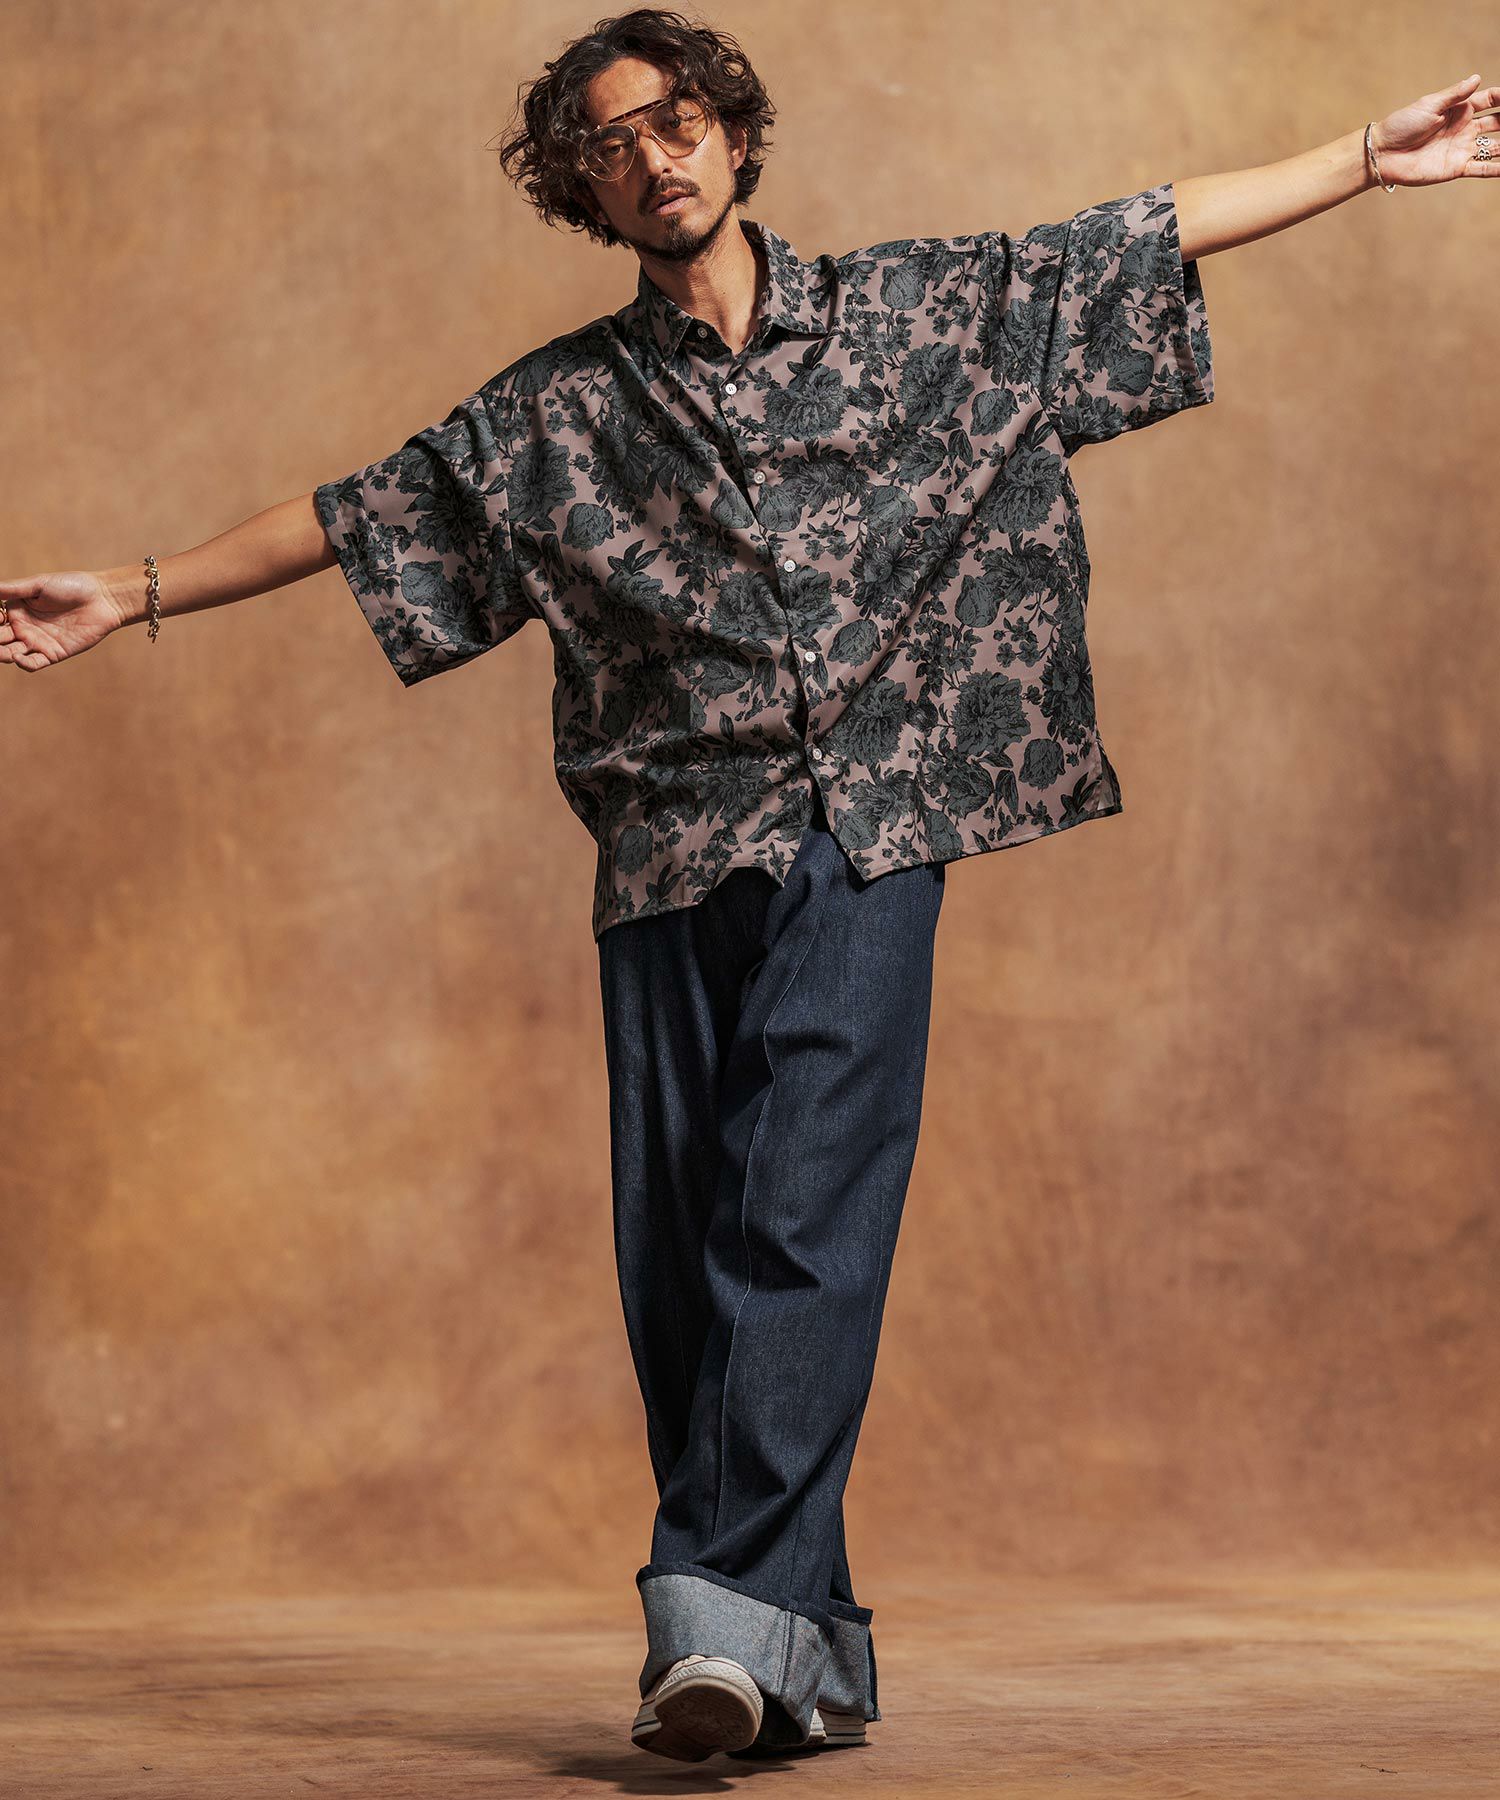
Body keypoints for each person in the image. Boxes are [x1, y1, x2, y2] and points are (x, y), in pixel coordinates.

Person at [3, 5, 1493, 1765]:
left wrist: (1367, 161)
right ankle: (805, 1656)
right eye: (608, 145)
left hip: (867, 829)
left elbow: (1139, 234)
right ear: (582, 191)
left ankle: (705, 1625)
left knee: (797, 1215)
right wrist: (132, 591)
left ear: (727, 129)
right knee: (686, 1261)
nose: (651, 157)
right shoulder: (559, 412)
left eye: (674, 119)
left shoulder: (924, 314)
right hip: (664, 858)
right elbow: (363, 514)